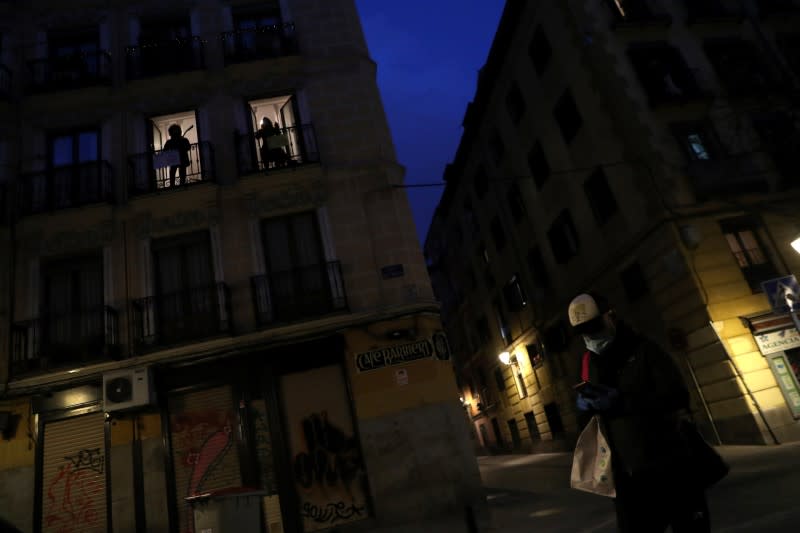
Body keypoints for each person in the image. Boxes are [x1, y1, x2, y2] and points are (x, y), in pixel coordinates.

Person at [568, 292, 711, 533]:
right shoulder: (587, 363)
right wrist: (585, 409)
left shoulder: (644, 350)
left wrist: (621, 401)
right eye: (585, 331)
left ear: (610, 317)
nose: (591, 336)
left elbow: (676, 397)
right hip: (627, 477)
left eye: (595, 327)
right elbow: (588, 423)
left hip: (670, 466)